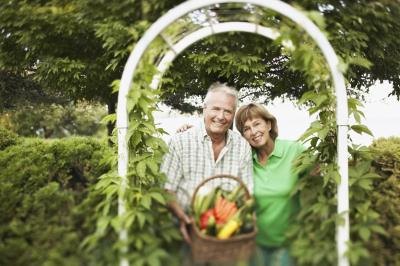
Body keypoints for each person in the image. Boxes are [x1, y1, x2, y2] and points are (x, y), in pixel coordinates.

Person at [160, 82, 253, 248]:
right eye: (216, 109)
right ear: (204, 109)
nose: (221, 116)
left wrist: (238, 223)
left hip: (227, 231)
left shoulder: (242, 145)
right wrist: (184, 219)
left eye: (227, 111)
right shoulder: (180, 141)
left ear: (233, 115)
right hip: (184, 228)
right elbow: (167, 190)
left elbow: (246, 192)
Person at [235, 103, 306, 266]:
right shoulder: (245, 161)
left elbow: (323, 172)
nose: (253, 132)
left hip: (289, 244)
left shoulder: (294, 151)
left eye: (257, 124)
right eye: (246, 129)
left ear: (269, 124)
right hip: (255, 245)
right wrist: (190, 131)